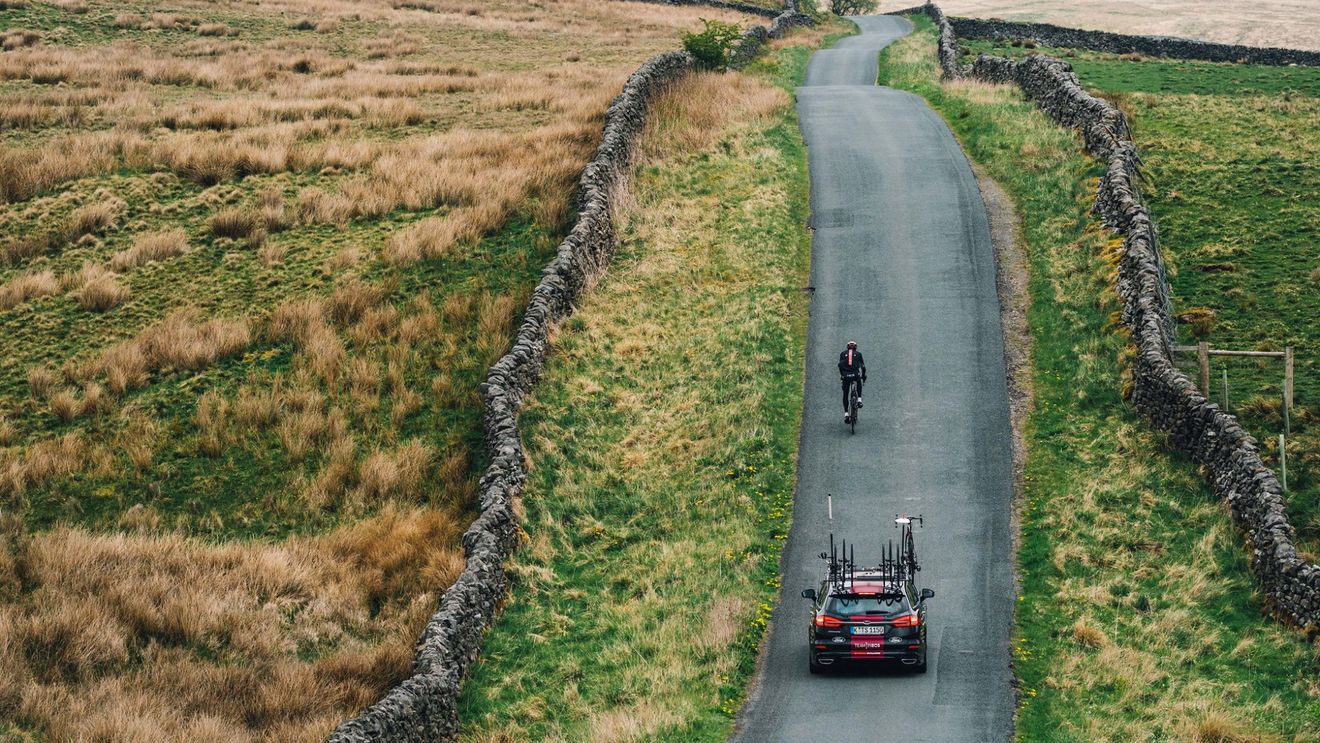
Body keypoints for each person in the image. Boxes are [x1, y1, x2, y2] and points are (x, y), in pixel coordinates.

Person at [838, 340, 866, 423]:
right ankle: (859, 400)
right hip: (855, 374)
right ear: (856, 347)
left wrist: (842, 376)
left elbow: (840, 366)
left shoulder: (843, 354)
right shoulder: (858, 354)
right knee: (859, 383)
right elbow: (863, 367)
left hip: (846, 375)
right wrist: (863, 376)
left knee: (845, 394)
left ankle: (846, 413)